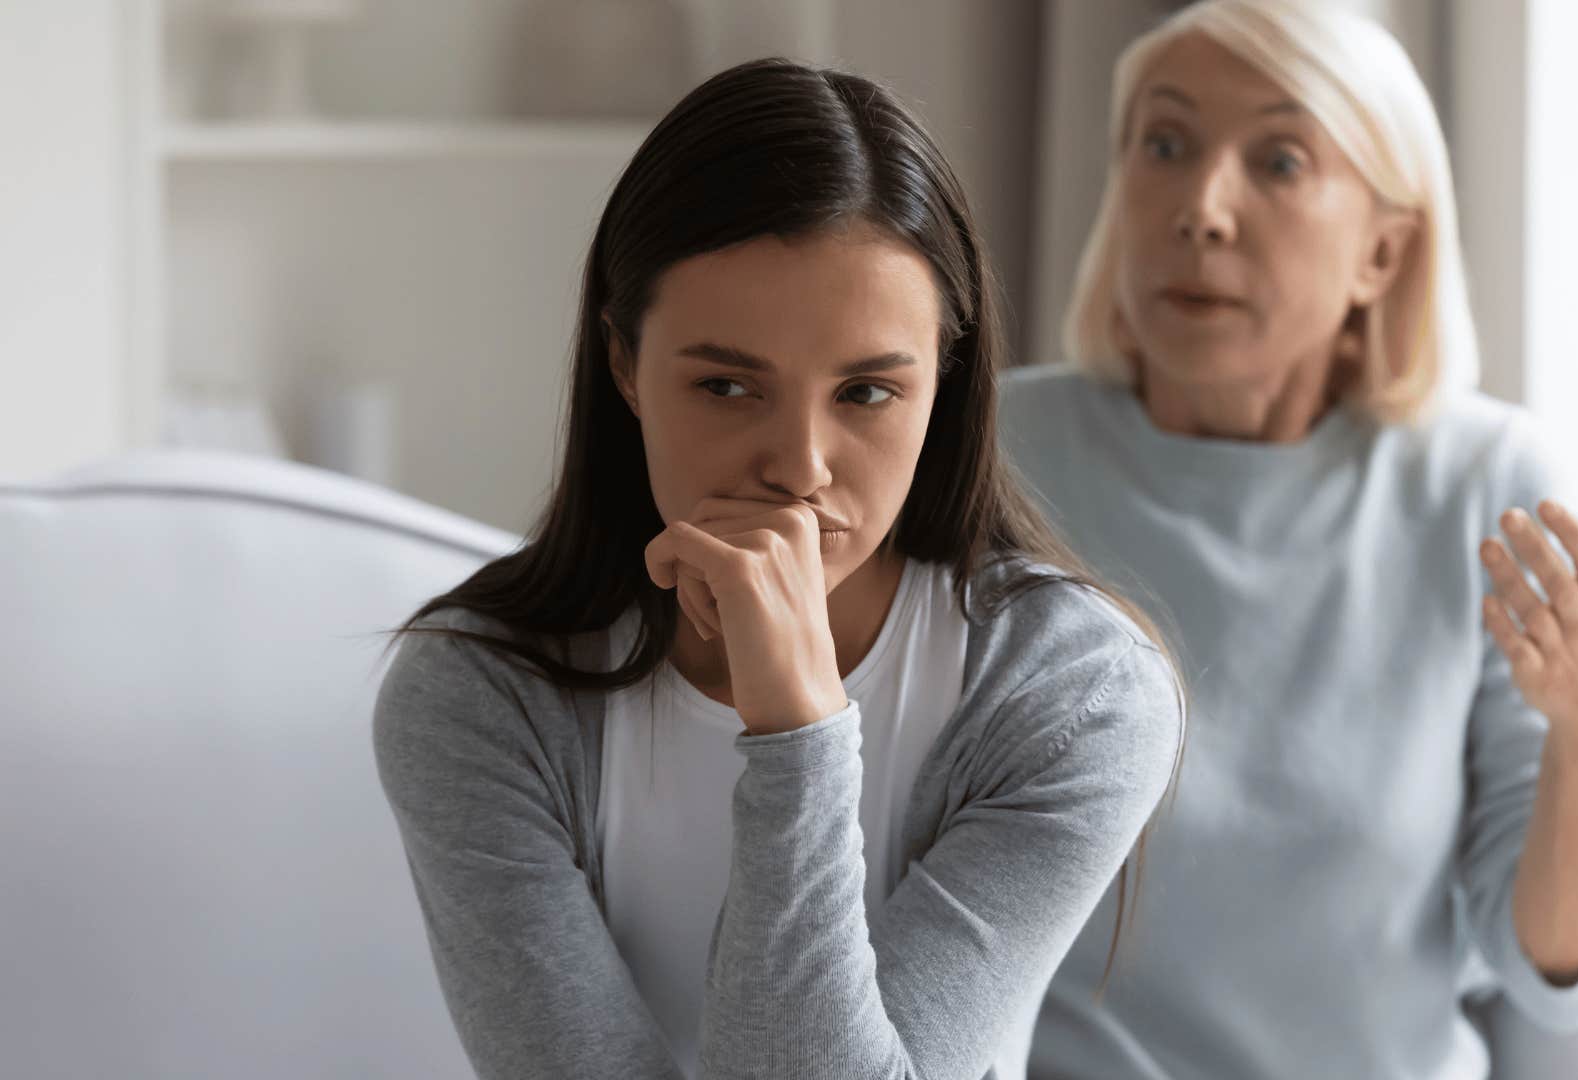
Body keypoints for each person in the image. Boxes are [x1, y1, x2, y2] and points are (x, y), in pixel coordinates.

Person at [373, 58, 1183, 1080]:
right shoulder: (477, 696)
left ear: (946, 381)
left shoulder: (1077, 699)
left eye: (867, 394)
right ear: (624, 364)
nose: (799, 464)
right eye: (725, 385)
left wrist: (798, 722)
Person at [1001, 3, 1578, 1076]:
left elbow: (1555, 972)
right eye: (1165, 146)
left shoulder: (1490, 487)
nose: (1202, 208)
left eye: (1280, 161)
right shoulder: (998, 452)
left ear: (1383, 254)